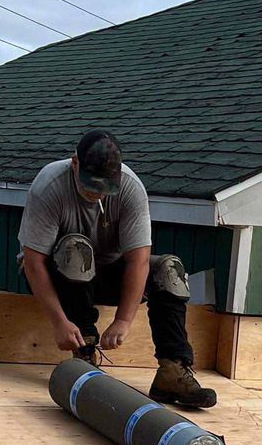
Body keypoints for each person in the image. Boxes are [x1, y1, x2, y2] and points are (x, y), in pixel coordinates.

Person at [18, 130, 216, 410]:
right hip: (55, 276)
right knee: (77, 248)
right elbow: (33, 262)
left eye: (104, 188)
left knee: (169, 269)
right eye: (90, 186)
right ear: (75, 164)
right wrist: (59, 322)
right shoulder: (50, 185)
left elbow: (139, 261)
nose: (96, 193)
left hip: (105, 273)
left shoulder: (131, 189)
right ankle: (83, 354)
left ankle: (172, 371)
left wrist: (123, 320)